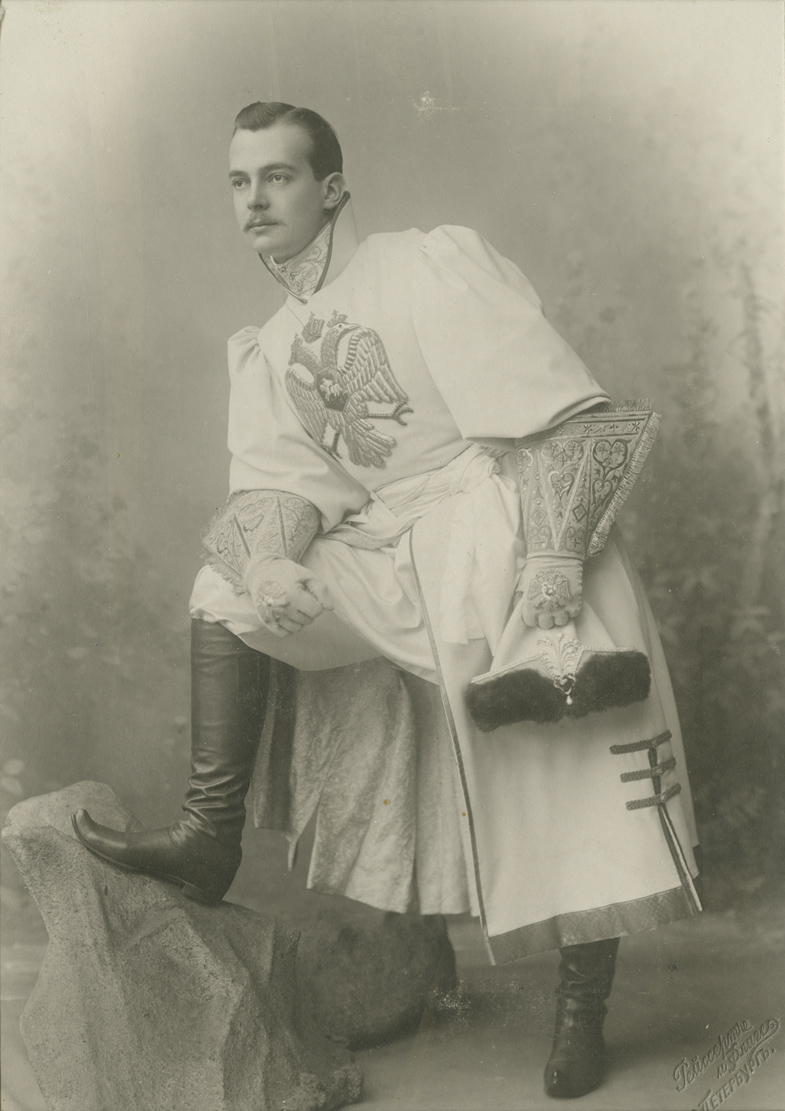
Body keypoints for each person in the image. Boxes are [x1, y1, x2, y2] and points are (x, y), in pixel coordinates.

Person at [73, 103, 702, 1099]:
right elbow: (277, 487)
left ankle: (580, 1009)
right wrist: (274, 563)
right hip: (391, 545)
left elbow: (552, 411)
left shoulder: (423, 266)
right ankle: (206, 834)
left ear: (330, 188)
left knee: (559, 761)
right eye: (238, 183)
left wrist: (551, 557)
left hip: (498, 523)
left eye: (276, 178)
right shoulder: (271, 345)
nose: (254, 202)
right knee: (223, 585)